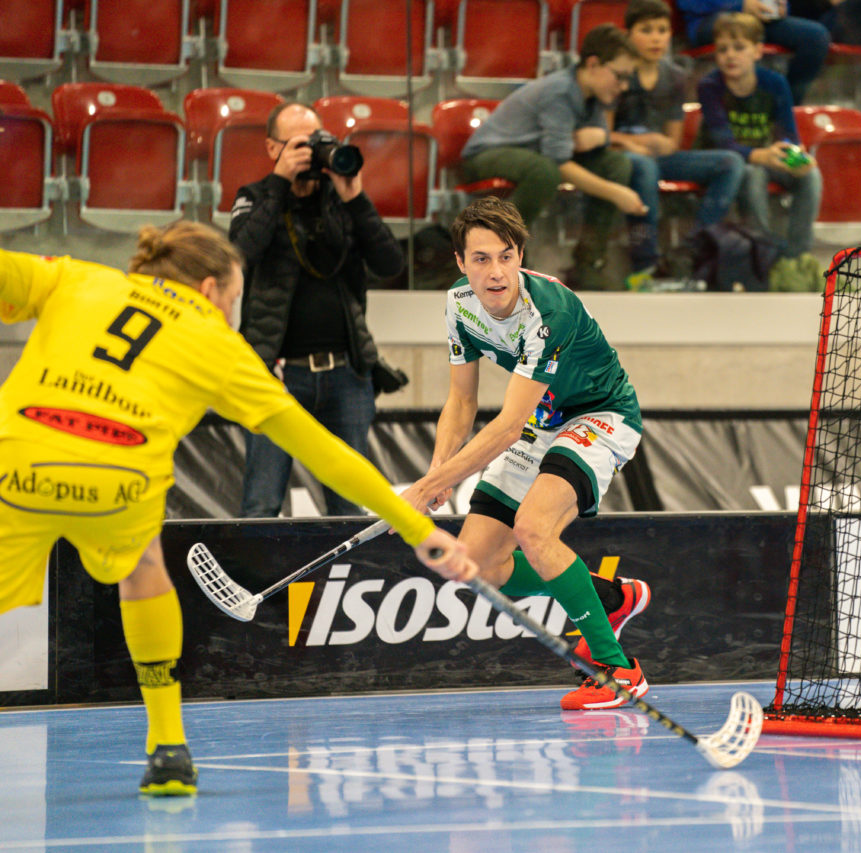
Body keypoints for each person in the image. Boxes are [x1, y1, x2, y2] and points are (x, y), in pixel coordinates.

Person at [0, 222, 474, 796]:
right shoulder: (218, 343)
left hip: (18, 463)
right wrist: (415, 526)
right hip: (119, 481)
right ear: (207, 289)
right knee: (143, 567)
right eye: (233, 300)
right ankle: (168, 749)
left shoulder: (75, 278)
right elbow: (324, 453)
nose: (232, 314)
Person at [401, 197, 651, 711]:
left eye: (506, 256)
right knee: (473, 563)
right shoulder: (458, 304)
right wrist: (437, 475)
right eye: (481, 259)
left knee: (536, 530)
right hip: (544, 420)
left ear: (520, 255)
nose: (496, 273)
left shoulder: (547, 314)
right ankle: (608, 597)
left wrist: (422, 491)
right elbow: (462, 400)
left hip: (600, 416)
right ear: (459, 262)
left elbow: (509, 424)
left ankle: (617, 669)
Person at [231, 101, 404, 518]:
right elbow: (238, 255)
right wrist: (279, 185)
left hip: (346, 375)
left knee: (349, 504)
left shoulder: (342, 200)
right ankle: (255, 582)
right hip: (277, 376)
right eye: (298, 145)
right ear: (273, 148)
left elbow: (391, 265)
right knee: (262, 501)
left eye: (317, 142)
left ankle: (350, 584)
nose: (311, 153)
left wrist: (356, 199)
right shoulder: (255, 197)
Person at [461, 24, 647, 291]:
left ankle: (588, 263)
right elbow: (559, 163)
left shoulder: (593, 95)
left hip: (533, 156)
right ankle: (497, 257)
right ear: (593, 64)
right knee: (545, 171)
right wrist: (617, 193)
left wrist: (601, 138)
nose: (624, 86)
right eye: (620, 76)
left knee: (616, 164)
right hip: (486, 154)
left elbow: (596, 141)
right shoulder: (560, 91)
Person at [614, 0, 746, 290]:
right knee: (645, 166)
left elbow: (673, 142)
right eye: (646, 30)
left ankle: (691, 252)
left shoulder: (674, 76)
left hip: (656, 158)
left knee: (730, 162)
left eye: (662, 30)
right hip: (618, 156)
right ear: (628, 35)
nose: (656, 38)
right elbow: (600, 133)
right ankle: (644, 267)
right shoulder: (618, 73)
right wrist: (634, 143)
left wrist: (662, 144)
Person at [696, 12, 824, 289]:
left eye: (739, 48)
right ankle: (763, 257)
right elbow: (723, 143)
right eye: (723, 49)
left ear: (757, 51)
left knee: (811, 176)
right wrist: (764, 156)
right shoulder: (709, 87)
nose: (730, 55)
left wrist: (795, 156)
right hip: (729, 163)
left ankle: (795, 259)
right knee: (753, 174)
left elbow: (788, 135)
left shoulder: (776, 83)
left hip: (767, 158)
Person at [678, 0, 832, 106]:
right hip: (710, 19)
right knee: (743, 40)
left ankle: (784, 109)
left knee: (815, 37)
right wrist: (740, 5)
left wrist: (779, 7)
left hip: (758, 20)